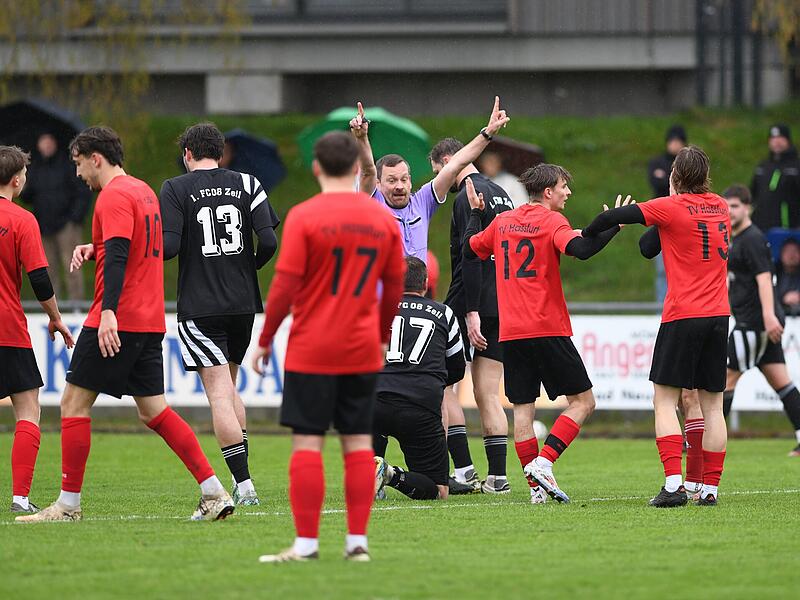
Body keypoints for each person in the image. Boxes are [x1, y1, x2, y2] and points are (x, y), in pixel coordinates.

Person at [17, 126, 233, 523]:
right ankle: (214, 491)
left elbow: (118, 255)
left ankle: (67, 506)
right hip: (149, 321)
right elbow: (131, 248)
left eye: (79, 164)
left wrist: (110, 312)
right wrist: (94, 249)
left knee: (72, 403)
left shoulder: (112, 196)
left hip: (117, 318)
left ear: (95, 158)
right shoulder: (142, 190)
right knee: (154, 411)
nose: (79, 174)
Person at [250, 131, 405, 563]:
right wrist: (382, 333)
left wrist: (264, 339)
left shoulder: (303, 215)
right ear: (358, 167)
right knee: (358, 444)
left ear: (316, 168)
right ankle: (357, 543)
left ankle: (306, 545)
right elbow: (394, 286)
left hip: (312, 348)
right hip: (360, 347)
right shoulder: (379, 220)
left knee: (308, 444)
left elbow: (284, 286)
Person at [464, 164, 626, 504]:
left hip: (511, 331)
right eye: (564, 187)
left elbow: (472, 249)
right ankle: (544, 462)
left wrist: (477, 215)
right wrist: (613, 226)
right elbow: (580, 249)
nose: (568, 193)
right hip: (546, 326)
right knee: (583, 402)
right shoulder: (552, 221)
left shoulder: (503, 220)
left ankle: (536, 492)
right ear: (548, 192)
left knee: (523, 411)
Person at [584, 145, 730, 507]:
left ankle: (674, 485)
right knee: (713, 405)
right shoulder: (722, 206)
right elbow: (650, 247)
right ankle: (709, 489)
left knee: (664, 400)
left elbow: (614, 218)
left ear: (675, 176)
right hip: (718, 316)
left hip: (684, 315)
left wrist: (587, 232)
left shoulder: (671, 207)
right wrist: (672, 202)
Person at [159, 123, 280, 506]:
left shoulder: (175, 188)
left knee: (218, 396)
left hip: (200, 306)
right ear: (222, 152)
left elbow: (170, 248)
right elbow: (270, 240)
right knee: (229, 387)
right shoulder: (248, 183)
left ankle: (244, 486)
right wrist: (249, 268)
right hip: (243, 304)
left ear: (187, 154)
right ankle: (244, 479)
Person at [431, 137, 515, 495]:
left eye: (439, 171)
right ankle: (498, 477)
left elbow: (472, 254)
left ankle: (463, 469)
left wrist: (470, 310)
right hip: (505, 300)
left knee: (444, 387)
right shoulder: (503, 192)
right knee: (488, 393)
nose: (442, 182)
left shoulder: (468, 194)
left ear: (449, 160)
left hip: (471, 301)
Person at [0, 145, 74, 514]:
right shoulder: (22, 220)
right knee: (28, 410)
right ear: (17, 180)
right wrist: (56, 317)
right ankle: (19, 498)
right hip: (8, 327)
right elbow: (40, 279)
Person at [349, 97, 510, 262]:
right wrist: (361, 138)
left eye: (404, 180)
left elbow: (455, 164)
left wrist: (487, 133)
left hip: (418, 287)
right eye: (391, 180)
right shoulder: (373, 202)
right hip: (385, 287)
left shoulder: (422, 202)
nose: (399, 186)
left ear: (410, 181)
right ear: (378, 184)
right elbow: (368, 170)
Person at [373, 256, 467, 501]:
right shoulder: (444, 313)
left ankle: (367, 468)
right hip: (420, 407)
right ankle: (391, 476)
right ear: (425, 283)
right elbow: (457, 368)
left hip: (375, 403)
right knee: (439, 489)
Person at [717, 185, 800, 456]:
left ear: (748, 208)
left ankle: (709, 441)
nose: (731, 211)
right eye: (727, 206)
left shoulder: (751, 239)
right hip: (757, 323)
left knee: (724, 379)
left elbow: (765, 279)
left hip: (753, 324)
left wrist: (768, 316)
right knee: (782, 383)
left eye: (736, 206)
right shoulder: (737, 238)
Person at [23, 133, 91, 300]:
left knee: (72, 266)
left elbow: (82, 192)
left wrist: (75, 218)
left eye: (49, 141)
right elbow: (28, 196)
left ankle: (77, 306)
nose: (46, 145)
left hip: (66, 224)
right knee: (47, 269)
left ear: (55, 143)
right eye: (43, 141)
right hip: (43, 225)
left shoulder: (68, 165)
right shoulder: (35, 167)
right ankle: (53, 308)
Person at [647, 125, 687, 304]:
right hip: (662, 219)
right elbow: (657, 184)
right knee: (662, 269)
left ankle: (681, 303)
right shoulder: (657, 162)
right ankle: (662, 306)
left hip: (683, 220)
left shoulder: (687, 164)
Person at [751, 124, 800, 231]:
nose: (777, 141)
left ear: (788, 140)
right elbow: (752, 194)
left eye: (780, 138)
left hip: (788, 228)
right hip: (761, 226)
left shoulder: (796, 166)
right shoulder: (763, 166)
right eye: (773, 138)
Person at [776, 238, 800, 315]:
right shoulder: (773, 273)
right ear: (781, 254)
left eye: (795, 251)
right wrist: (783, 298)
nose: (791, 255)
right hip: (779, 316)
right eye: (787, 251)